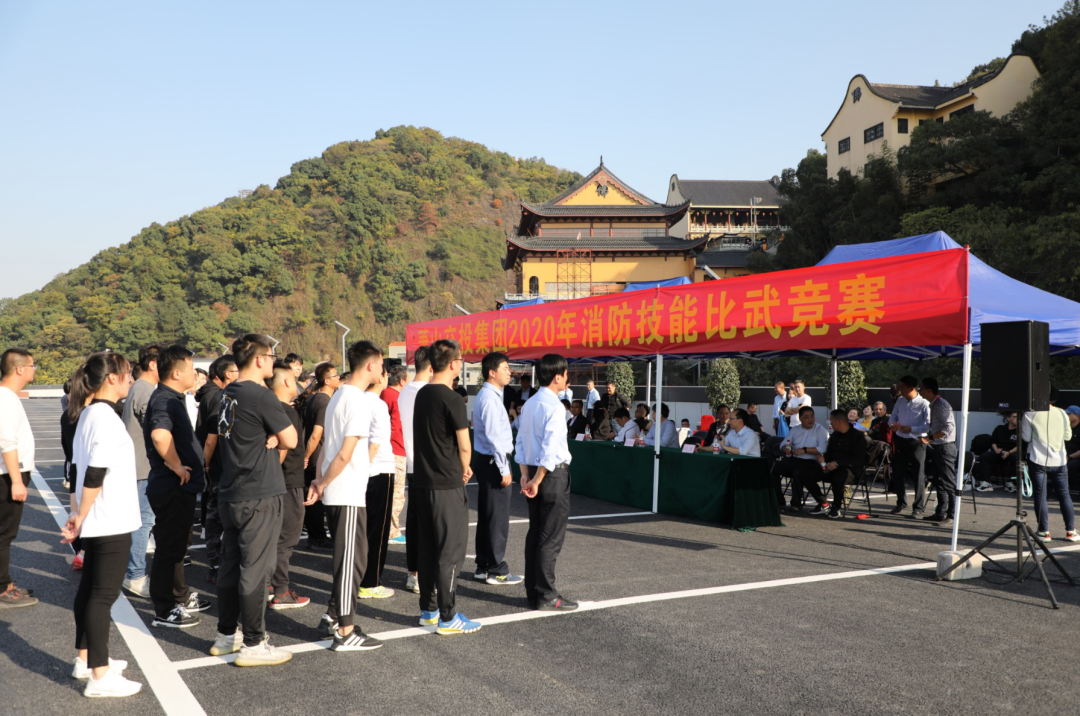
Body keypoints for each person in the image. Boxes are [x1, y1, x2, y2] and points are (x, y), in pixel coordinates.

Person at [211, 334, 298, 666]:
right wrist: (276, 434)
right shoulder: (260, 395)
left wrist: (272, 434)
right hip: (259, 492)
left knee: (231, 566)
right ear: (260, 359)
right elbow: (291, 438)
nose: (273, 361)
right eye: (272, 356)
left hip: (231, 491)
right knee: (256, 570)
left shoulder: (227, 393)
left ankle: (226, 635)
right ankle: (253, 642)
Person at [62, 351, 144, 697]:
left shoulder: (87, 413)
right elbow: (95, 472)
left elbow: (78, 469)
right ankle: (99, 675)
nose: (131, 379)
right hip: (110, 517)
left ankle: (86, 660)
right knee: (103, 595)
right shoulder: (106, 418)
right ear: (112, 378)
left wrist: (80, 513)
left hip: (99, 516)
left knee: (90, 591)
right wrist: (80, 515)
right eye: (127, 373)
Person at [305, 341, 385, 652]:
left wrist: (319, 480)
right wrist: (323, 482)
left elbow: (328, 445)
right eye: (380, 365)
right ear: (370, 365)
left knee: (354, 558)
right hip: (346, 491)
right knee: (351, 562)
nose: (382, 371)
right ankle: (345, 631)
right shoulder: (357, 400)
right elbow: (344, 452)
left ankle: (332, 616)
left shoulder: (339, 395)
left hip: (342, 489)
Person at [413, 339, 481, 635]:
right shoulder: (452, 398)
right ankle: (448, 616)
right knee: (450, 551)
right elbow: (465, 445)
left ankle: (428, 611)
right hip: (446, 485)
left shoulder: (422, 393)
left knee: (428, 549)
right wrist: (465, 468)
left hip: (423, 484)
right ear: (453, 364)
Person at [144, 345, 209, 628]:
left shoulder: (172, 397)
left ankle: (178, 597)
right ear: (177, 373)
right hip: (171, 486)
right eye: (192, 368)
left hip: (176, 487)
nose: (195, 373)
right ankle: (164, 609)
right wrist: (176, 465)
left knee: (176, 548)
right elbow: (160, 436)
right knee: (169, 550)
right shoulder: (165, 399)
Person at [517, 353, 577, 612]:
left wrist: (526, 475)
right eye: (565, 375)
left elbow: (520, 441)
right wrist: (537, 479)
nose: (567, 379)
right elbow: (550, 449)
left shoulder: (530, 403)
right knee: (550, 537)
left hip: (533, 471)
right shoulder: (555, 407)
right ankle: (547, 594)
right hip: (550, 476)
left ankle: (534, 592)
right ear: (557, 377)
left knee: (536, 533)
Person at [472, 351, 523, 587]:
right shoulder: (490, 399)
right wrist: (504, 468)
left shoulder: (488, 395)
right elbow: (494, 437)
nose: (509, 372)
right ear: (492, 372)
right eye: (505, 368)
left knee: (488, 515)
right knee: (497, 517)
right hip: (494, 461)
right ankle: (495, 570)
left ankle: (484, 566)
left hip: (488, 460)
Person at [119, 343, 165, 598]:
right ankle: (135, 575)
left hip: (139, 466)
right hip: (144, 467)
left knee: (142, 521)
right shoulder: (146, 390)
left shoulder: (139, 387)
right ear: (153, 364)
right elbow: (158, 432)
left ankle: (133, 572)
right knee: (143, 521)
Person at [266, 361, 311, 611]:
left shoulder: (270, 408)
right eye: (293, 379)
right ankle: (281, 591)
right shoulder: (286, 411)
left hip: (279, 482)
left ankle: (271, 584)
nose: (297, 384)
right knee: (287, 537)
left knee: (276, 536)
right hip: (287, 482)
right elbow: (282, 447)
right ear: (285, 382)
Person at [0, 348, 38, 609]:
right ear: (19, 369)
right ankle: (3, 588)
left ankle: (5, 583)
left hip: (9, 473)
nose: (34, 369)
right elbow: (7, 442)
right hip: (7, 475)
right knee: (4, 533)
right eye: (32, 365)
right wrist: (16, 481)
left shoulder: (7, 396)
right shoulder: (6, 398)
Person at [358, 361, 396, 599]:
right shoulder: (378, 404)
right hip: (379, 470)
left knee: (365, 529)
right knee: (378, 531)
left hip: (365, 470)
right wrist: (366, 467)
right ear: (381, 377)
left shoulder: (358, 400)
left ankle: (362, 578)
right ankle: (371, 582)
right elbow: (376, 441)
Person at [198, 354, 237, 583]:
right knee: (217, 521)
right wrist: (206, 463)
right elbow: (212, 439)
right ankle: (216, 566)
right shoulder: (219, 396)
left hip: (218, 468)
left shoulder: (211, 394)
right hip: (219, 469)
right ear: (228, 374)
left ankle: (217, 566)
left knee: (216, 520)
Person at [399, 345, 434, 594]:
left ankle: (414, 574)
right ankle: (423, 575)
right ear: (432, 367)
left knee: (414, 521)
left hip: (409, 463)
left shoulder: (403, 392)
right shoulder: (429, 393)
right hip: (428, 465)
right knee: (429, 522)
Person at [1022, 388, 1078, 542]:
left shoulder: (1030, 414)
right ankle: (1071, 531)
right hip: (1059, 460)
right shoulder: (1062, 413)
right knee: (1064, 494)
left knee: (1041, 495)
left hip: (1038, 459)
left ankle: (1044, 532)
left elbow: (1026, 437)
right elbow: (1068, 436)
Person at [298, 363, 340, 552]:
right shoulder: (323, 401)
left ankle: (315, 536)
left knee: (313, 495)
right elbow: (316, 434)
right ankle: (317, 538)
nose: (338, 378)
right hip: (317, 457)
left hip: (314, 455)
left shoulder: (315, 398)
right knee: (316, 498)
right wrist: (307, 456)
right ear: (327, 381)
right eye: (335, 375)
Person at [888, 375, 931, 518]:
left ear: (911, 388)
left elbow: (928, 426)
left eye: (902, 386)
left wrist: (911, 429)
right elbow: (892, 418)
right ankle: (901, 502)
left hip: (916, 442)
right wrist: (893, 425)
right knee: (897, 473)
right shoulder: (900, 400)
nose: (899, 389)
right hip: (900, 439)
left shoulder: (924, 404)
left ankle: (918, 507)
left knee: (918, 476)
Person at [818, 409, 869, 519]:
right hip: (832, 467)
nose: (830, 424)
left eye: (831, 421)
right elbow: (829, 453)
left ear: (838, 422)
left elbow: (859, 459)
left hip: (851, 470)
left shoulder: (857, 436)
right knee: (807, 472)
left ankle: (836, 507)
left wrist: (838, 463)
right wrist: (823, 459)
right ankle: (822, 502)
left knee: (839, 476)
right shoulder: (835, 436)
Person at [777, 406, 829, 513]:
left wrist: (805, 450)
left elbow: (822, 449)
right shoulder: (795, 429)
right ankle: (778, 499)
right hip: (795, 459)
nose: (810, 419)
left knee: (798, 471)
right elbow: (784, 443)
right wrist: (786, 447)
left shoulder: (820, 430)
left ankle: (795, 504)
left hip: (812, 461)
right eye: (806, 417)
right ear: (800, 418)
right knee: (774, 468)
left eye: (812, 416)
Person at [921, 378, 958, 526]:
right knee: (939, 481)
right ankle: (940, 513)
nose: (920, 391)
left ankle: (952, 515)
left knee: (948, 482)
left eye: (921, 388)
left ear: (928, 390)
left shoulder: (941, 404)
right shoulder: (935, 404)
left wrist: (930, 437)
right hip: (939, 447)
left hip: (945, 447)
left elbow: (948, 427)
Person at [381, 364, 409, 546]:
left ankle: (386, 529)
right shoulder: (396, 397)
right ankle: (392, 531)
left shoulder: (382, 394)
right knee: (396, 494)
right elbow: (396, 426)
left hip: (382, 450)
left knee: (385, 492)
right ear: (402, 381)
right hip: (396, 450)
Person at [980, 412, 1019, 492]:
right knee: (984, 456)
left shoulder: (1020, 430)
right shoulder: (1000, 428)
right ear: (1008, 418)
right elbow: (993, 441)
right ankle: (985, 483)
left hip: (1011, 453)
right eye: (1015, 417)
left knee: (1017, 458)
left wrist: (1008, 452)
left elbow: (1020, 446)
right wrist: (996, 449)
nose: (1017, 419)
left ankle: (1010, 483)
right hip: (999, 452)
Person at [1066, 406, 1080, 489]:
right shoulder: (1065, 428)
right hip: (1062, 456)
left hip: (1075, 458)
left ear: (1077, 416)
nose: (1066, 416)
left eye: (1068, 414)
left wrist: (1069, 457)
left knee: (1072, 465)